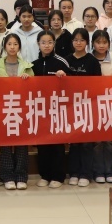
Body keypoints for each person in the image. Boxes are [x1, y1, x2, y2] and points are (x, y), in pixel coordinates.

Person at [32, 30, 71, 189]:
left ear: (54, 44)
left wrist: (65, 76)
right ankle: (45, 175)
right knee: (42, 144)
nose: (46, 45)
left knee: (57, 144)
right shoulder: (33, 64)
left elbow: (74, 83)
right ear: (38, 44)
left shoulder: (61, 62)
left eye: (50, 42)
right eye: (43, 42)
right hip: (40, 110)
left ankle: (58, 176)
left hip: (58, 110)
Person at [0, 33, 33, 190]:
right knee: (5, 143)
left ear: (19, 47)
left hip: (22, 109)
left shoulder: (27, 66)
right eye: (9, 44)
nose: (12, 47)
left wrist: (28, 79)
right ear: (5, 46)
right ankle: (7, 176)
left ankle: (21, 176)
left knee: (22, 143)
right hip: (3, 108)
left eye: (15, 44)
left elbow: (34, 88)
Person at [65, 28, 101, 186]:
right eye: (75, 40)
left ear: (87, 42)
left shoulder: (92, 61)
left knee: (86, 142)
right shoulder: (66, 60)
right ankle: (74, 172)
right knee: (74, 141)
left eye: (82, 40)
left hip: (88, 106)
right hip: (71, 106)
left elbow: (98, 84)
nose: (78, 43)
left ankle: (86, 174)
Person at [91, 30, 112, 183]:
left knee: (108, 140)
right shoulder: (89, 58)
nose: (101, 45)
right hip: (93, 104)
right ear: (93, 44)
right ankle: (98, 171)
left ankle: (109, 171)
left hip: (110, 103)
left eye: (104, 42)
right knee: (96, 141)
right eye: (98, 42)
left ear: (109, 44)